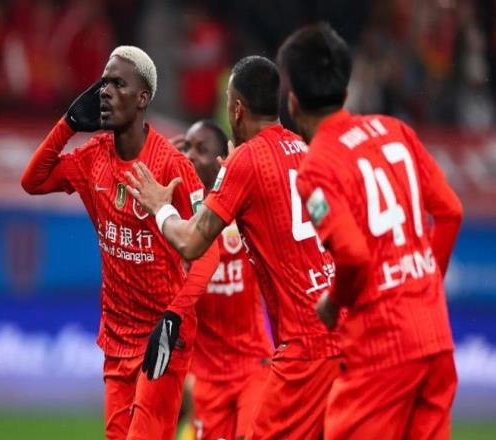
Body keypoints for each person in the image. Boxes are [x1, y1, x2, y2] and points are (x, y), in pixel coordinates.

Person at [125, 56, 341, 439]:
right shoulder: (305, 150)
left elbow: (190, 242)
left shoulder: (247, 159)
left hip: (304, 347)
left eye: (227, 102)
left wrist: (160, 207)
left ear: (237, 109)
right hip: (340, 334)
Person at [21, 45, 219, 440]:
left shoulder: (172, 166)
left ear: (142, 98)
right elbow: (32, 181)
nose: (105, 92)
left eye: (117, 84)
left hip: (164, 335)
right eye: (103, 83)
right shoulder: (92, 157)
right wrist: (68, 124)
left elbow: (208, 251)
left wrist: (175, 316)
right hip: (116, 338)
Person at [277, 23, 463, 440]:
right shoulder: (396, 130)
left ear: (293, 101)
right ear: (346, 92)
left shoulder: (316, 167)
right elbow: (450, 211)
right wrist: (426, 284)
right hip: (435, 335)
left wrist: (333, 302)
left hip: (382, 346)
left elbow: (353, 254)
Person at [181, 119, 273, 440]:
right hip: (206, 377)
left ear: (221, 159)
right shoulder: (178, 217)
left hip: (253, 366)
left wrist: (238, 173)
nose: (190, 156)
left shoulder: (245, 208)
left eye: (200, 149)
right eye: (186, 148)